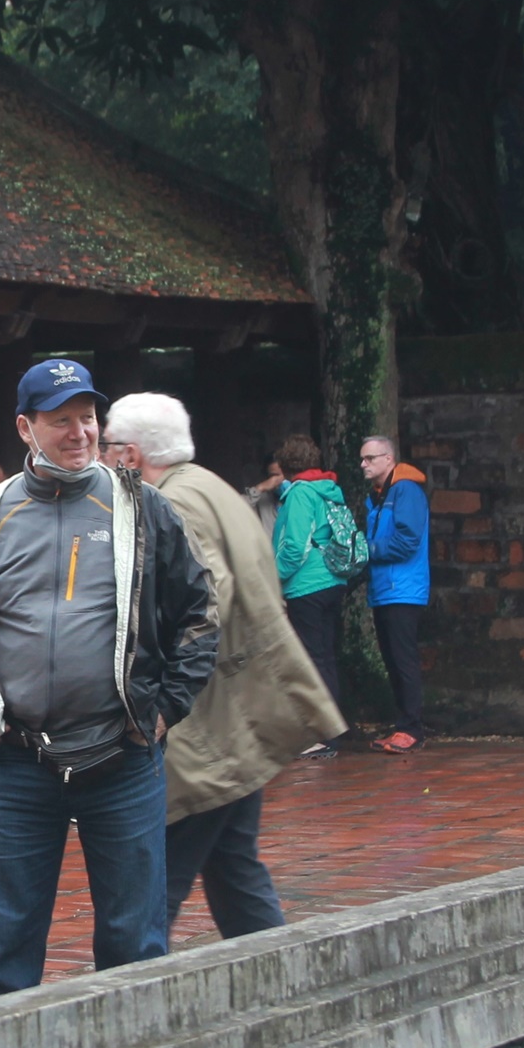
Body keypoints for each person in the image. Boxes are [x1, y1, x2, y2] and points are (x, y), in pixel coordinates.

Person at [0, 358, 218, 995]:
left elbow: (200, 614)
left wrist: (167, 707)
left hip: (123, 756)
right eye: (60, 421)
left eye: (88, 418)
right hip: (16, 760)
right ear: (24, 428)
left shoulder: (141, 509)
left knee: (134, 946)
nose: (79, 433)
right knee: (3, 953)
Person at [107, 395, 342, 938]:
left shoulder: (172, 503)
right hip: (236, 716)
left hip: (202, 726)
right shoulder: (210, 487)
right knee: (233, 866)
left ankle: (126, 998)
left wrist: (150, 680)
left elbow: (206, 599)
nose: (101, 457)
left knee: (154, 885)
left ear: (134, 455)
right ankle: (278, 981)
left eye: (109, 446)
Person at [269, 434, 352, 760]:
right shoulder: (328, 488)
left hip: (307, 586)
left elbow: (294, 547)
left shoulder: (301, 493)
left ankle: (324, 736)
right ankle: (334, 730)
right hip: (332, 580)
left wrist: (270, 578)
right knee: (325, 658)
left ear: (287, 465)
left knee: (312, 662)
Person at [358, 434, 432, 754]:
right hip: (385, 590)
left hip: (403, 590)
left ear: (389, 459)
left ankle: (412, 728)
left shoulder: (405, 491)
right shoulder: (377, 496)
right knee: (392, 660)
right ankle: (403, 725)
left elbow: (406, 542)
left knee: (403, 661)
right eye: (362, 459)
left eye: (370, 458)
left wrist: (366, 549)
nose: (363, 464)